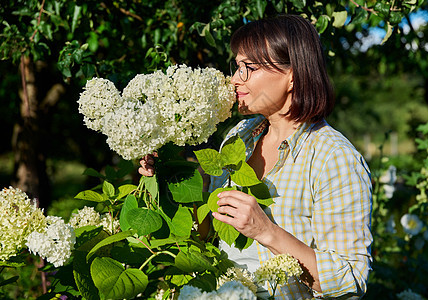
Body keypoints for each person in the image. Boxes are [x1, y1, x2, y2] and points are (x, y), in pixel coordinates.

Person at [140, 14, 372, 299]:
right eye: (236, 67)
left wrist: (266, 231)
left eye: (248, 68)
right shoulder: (240, 136)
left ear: (292, 75)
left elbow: (351, 281)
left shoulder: (332, 158)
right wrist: (166, 179)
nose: (235, 79)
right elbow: (208, 232)